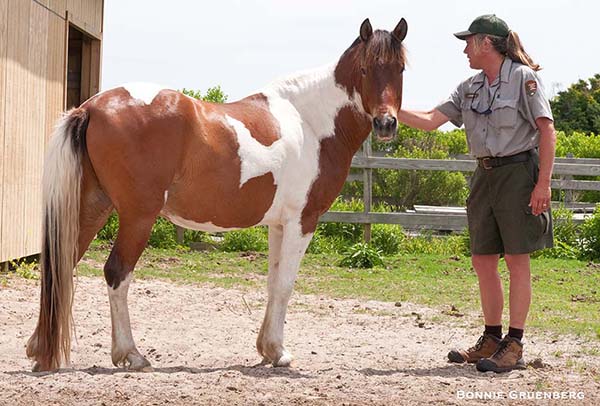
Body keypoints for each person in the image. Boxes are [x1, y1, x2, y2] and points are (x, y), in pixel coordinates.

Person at [397, 14, 556, 373]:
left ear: (487, 43)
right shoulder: (469, 86)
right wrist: (387, 109)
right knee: (483, 260)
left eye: (468, 42)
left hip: (518, 173)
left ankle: (514, 344)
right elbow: (430, 119)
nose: (464, 49)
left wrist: (542, 182)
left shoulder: (523, 79)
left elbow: (546, 130)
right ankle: (491, 338)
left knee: (517, 260)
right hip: (483, 177)